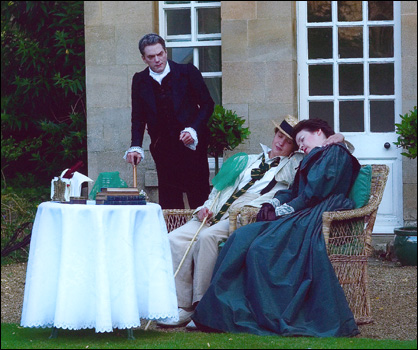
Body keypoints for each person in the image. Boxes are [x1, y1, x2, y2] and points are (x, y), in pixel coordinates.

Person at [157, 116, 349, 329]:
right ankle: (179, 305)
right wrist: (206, 207)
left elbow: (327, 155)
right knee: (172, 239)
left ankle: (201, 307)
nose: (281, 142)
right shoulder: (247, 160)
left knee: (206, 238)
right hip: (215, 211)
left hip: (242, 213)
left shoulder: (295, 162)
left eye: (289, 141)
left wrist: (338, 137)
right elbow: (220, 188)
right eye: (279, 135)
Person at [124, 33, 214, 209]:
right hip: (163, 151)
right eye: (151, 56)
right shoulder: (140, 80)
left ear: (165, 52)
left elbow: (207, 105)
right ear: (144, 58)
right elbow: (138, 117)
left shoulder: (187, 72)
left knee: (199, 201)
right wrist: (136, 145)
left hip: (192, 149)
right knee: (170, 205)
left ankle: (202, 236)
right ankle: (172, 237)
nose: (157, 60)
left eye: (160, 54)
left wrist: (193, 129)